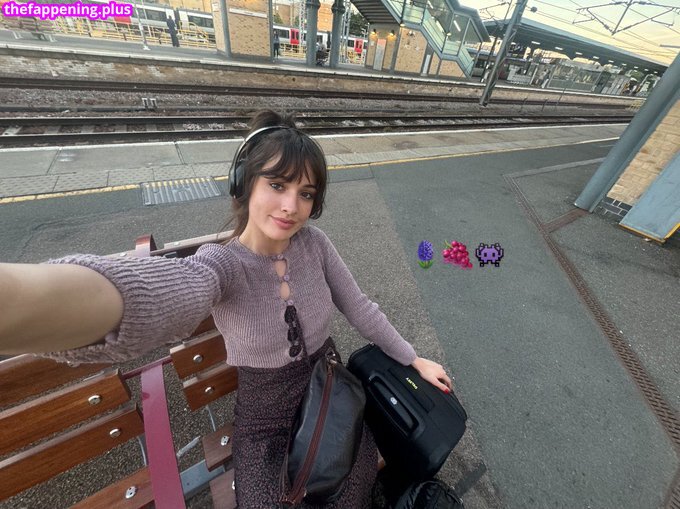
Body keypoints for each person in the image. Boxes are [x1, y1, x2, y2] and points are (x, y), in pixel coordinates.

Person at [0, 110, 453, 508]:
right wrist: (25, 301)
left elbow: (360, 306)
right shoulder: (222, 265)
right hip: (266, 418)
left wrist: (412, 357)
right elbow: (159, 291)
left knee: (349, 489)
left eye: (306, 193)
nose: (291, 206)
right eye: (277, 185)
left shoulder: (315, 244)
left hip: (330, 392)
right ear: (243, 183)